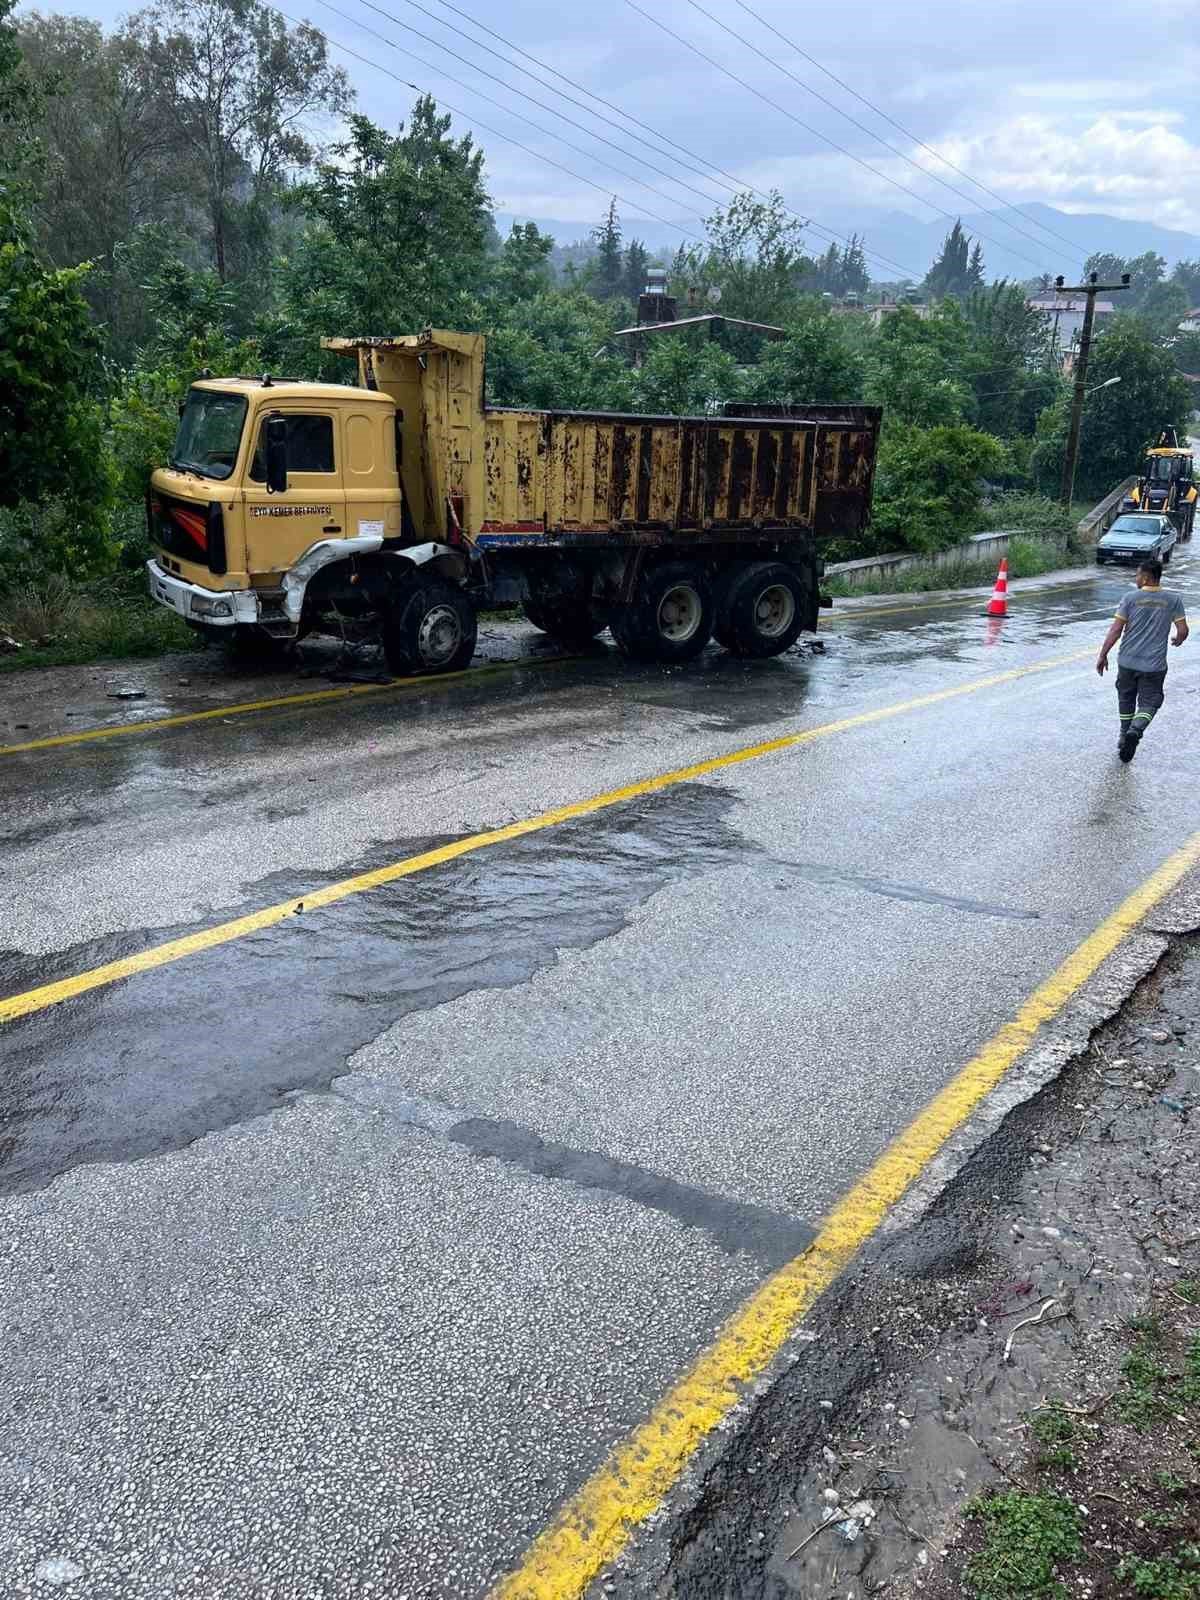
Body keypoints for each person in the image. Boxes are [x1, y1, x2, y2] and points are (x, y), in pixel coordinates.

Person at [1096, 558, 1188, 762]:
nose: (1136, 578)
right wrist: (1178, 640)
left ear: (1145, 577)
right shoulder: (1173, 599)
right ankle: (1135, 731)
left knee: (1126, 698)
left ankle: (1123, 734)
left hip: (1127, 661)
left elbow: (1115, 630)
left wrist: (1103, 654)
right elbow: (1183, 630)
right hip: (1153, 665)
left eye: (1137, 574)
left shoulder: (1130, 598)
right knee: (1150, 702)